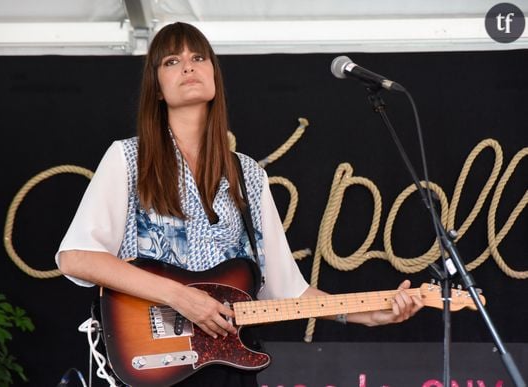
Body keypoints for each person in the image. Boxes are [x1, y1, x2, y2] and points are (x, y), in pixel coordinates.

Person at [56, 22, 423, 387]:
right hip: (156, 363)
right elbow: (76, 257)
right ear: (156, 89)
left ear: (214, 75)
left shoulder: (247, 174)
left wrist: (369, 315)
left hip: (230, 364)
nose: (187, 66)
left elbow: (288, 290)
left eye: (198, 57)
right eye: (171, 61)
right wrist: (182, 297)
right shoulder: (129, 158)